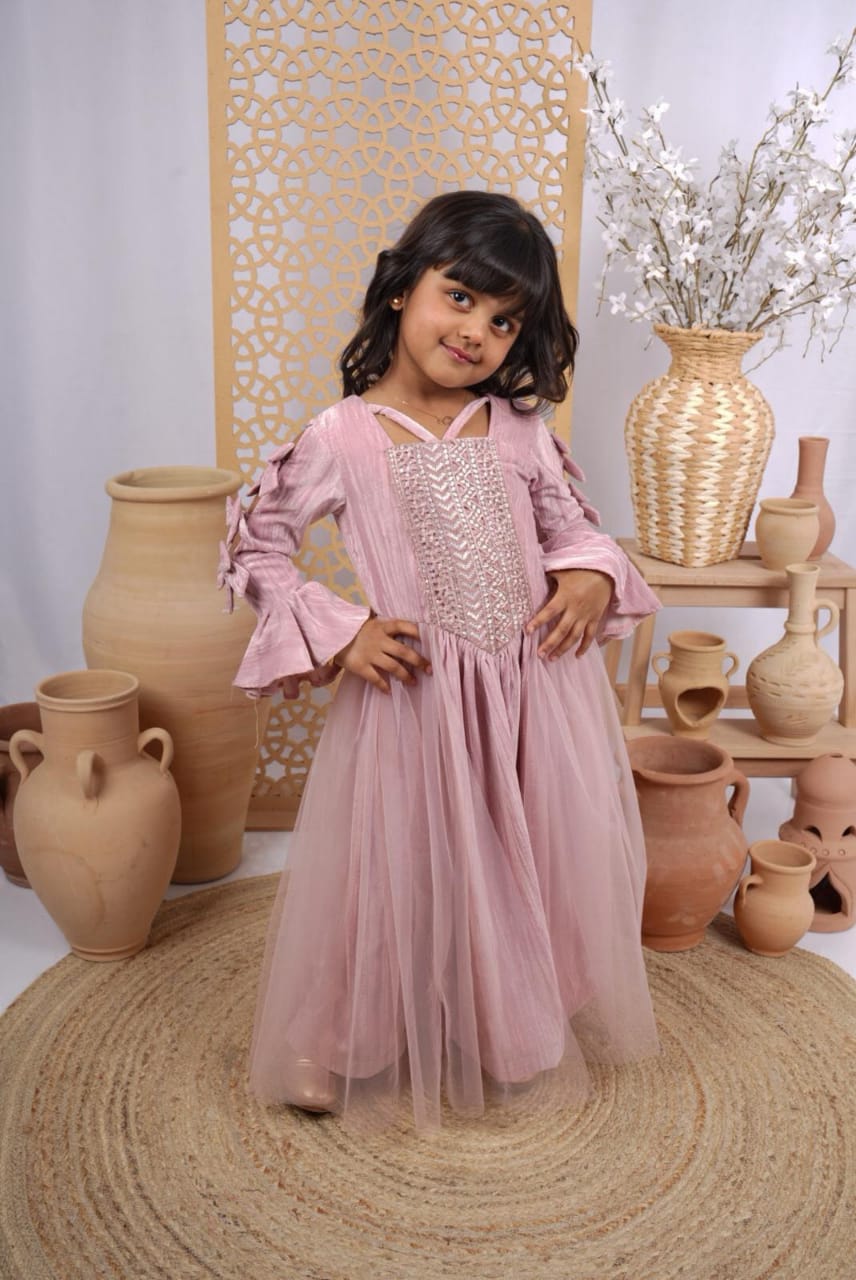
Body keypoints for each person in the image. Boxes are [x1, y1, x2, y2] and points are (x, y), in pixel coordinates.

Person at [220, 190, 661, 1133]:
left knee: (524, 855)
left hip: (532, 691)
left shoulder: (518, 430)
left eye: (504, 321)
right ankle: (339, 1033)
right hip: (417, 698)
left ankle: (507, 1022)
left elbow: (570, 527)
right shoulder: (342, 436)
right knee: (394, 873)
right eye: (459, 298)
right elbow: (256, 547)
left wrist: (589, 574)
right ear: (401, 290)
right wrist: (342, 631)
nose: (476, 333)